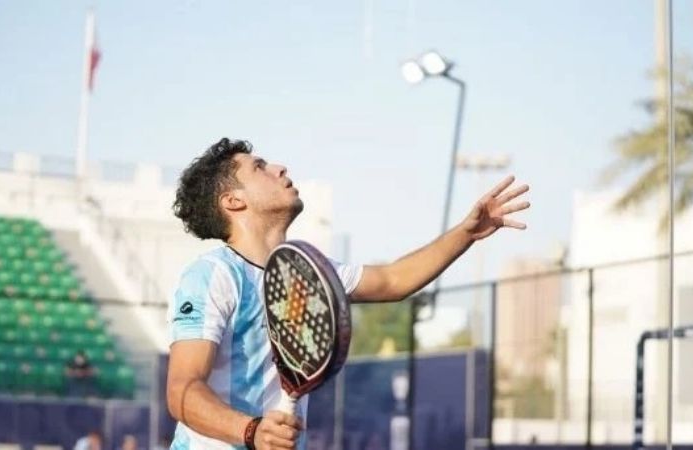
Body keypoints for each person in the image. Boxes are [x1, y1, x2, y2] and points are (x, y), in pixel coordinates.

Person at [167, 138, 530, 450]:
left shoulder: (309, 271)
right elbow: (182, 389)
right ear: (233, 201)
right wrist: (252, 431)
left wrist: (466, 233)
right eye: (259, 167)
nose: (279, 168)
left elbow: (393, 281)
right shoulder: (212, 275)